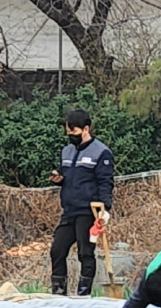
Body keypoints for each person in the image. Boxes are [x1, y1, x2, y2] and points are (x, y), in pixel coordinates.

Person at [48, 108, 114, 296]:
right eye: (68, 132)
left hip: (88, 211)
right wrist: (58, 179)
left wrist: (105, 210)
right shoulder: (66, 151)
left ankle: (83, 294)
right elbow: (65, 174)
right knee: (57, 250)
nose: (71, 135)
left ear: (86, 129)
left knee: (85, 253)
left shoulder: (101, 152)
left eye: (74, 131)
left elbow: (106, 182)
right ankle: (59, 293)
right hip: (69, 210)